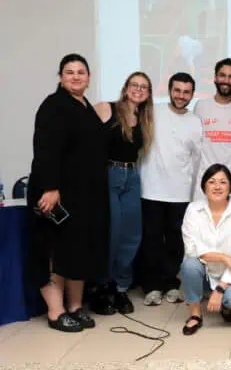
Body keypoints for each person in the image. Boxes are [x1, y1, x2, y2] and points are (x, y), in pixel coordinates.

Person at [28, 53, 108, 332]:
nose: (76, 76)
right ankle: (56, 311)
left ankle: (75, 307)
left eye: (81, 72)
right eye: (69, 72)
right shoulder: (53, 106)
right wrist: (51, 188)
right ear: (61, 76)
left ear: (88, 77)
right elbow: (45, 149)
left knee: (79, 251)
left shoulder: (85, 105)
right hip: (57, 194)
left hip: (83, 195)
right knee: (57, 251)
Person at [91, 72, 155, 315]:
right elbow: (84, 136)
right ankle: (102, 286)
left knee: (131, 235)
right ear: (126, 87)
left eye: (144, 87)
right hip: (109, 174)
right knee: (112, 233)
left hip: (132, 177)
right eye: (134, 85)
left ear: (148, 94)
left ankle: (120, 288)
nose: (138, 90)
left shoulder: (143, 118)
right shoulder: (107, 108)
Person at [138, 72, 203, 306]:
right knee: (152, 240)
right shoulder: (153, 112)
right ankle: (152, 286)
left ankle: (170, 285)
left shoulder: (195, 122)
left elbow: (197, 160)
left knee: (176, 242)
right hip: (151, 190)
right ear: (169, 90)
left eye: (186, 92)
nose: (181, 96)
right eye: (177, 90)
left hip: (181, 193)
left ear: (192, 95)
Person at [180, 164, 231, 335]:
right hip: (203, 272)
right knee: (190, 264)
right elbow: (191, 249)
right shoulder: (193, 210)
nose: (217, 186)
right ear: (204, 186)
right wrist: (223, 257)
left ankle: (227, 307)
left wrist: (221, 288)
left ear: (230, 187)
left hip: (230, 274)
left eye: (223, 182)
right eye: (212, 182)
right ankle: (195, 314)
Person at [193, 58, 231, 200]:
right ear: (215, 77)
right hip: (203, 183)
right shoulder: (201, 106)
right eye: (222, 75)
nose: (226, 80)